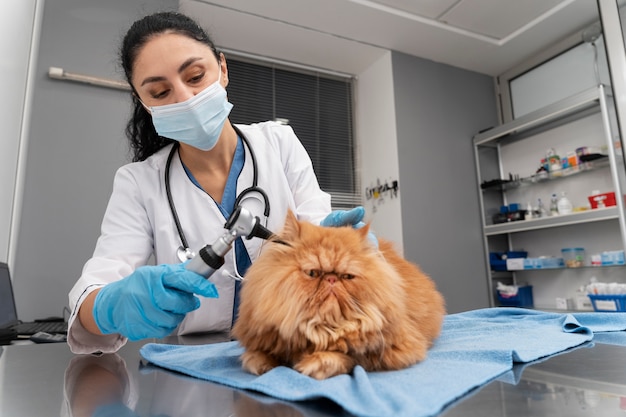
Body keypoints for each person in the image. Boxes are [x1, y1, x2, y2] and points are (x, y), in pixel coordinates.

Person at [67, 11, 369, 354]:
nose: (184, 98)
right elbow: (92, 293)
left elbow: (318, 236)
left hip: (296, 343)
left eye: (195, 76)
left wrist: (341, 245)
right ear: (144, 104)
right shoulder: (138, 183)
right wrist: (110, 307)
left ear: (222, 69)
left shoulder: (279, 143)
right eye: (160, 91)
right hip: (193, 365)